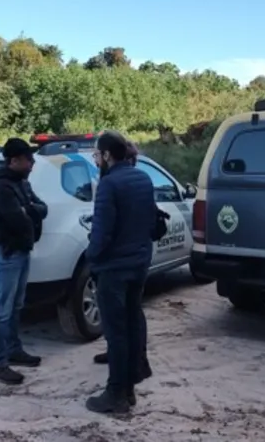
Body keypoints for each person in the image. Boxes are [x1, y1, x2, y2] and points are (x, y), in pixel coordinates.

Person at [84, 131, 159, 414]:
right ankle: (129, 388)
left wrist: (92, 256)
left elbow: (102, 233)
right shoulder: (143, 178)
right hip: (139, 265)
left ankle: (116, 392)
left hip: (115, 269)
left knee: (116, 332)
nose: (95, 159)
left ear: (106, 155)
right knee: (131, 322)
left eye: (96, 155)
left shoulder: (109, 184)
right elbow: (150, 222)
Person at [0, 137, 48, 385]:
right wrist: (29, 210)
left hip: (21, 250)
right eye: (28, 159)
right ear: (15, 161)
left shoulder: (21, 183)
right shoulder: (0, 187)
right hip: (8, 252)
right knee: (2, 309)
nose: (32, 163)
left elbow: (42, 208)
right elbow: (17, 219)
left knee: (16, 305)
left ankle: (13, 349)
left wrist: (28, 208)